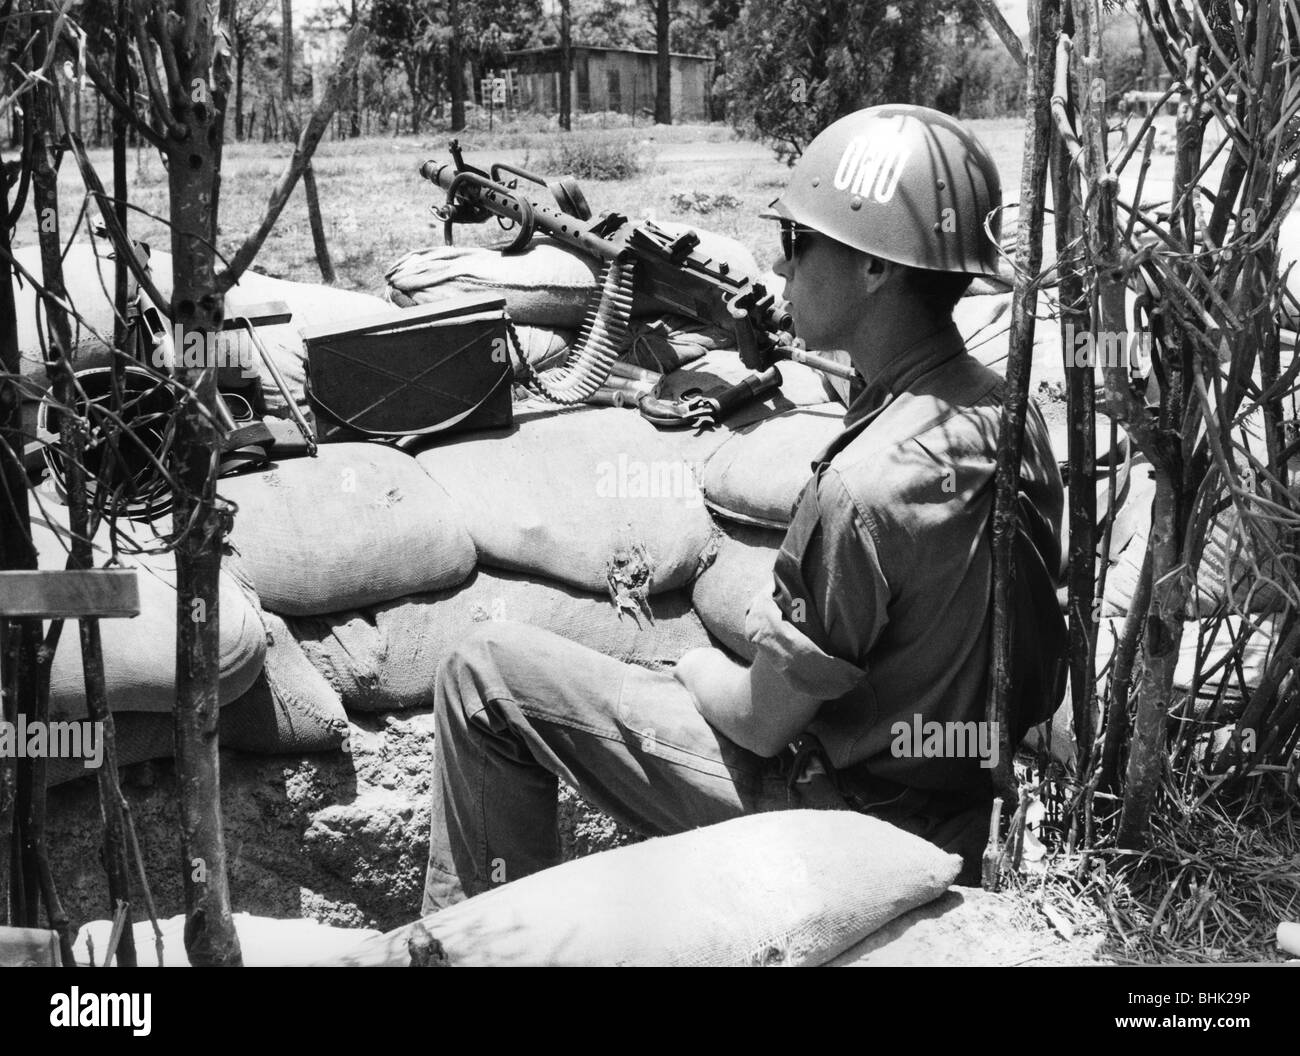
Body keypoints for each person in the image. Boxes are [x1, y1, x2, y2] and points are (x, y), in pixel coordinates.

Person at [421, 104, 1066, 912]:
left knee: (483, 674)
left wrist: (689, 664)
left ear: (877, 271)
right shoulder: (1010, 413)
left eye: (800, 243)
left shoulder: (860, 488)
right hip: (969, 803)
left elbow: (760, 724)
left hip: (853, 827)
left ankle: (471, 953)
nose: (782, 264)